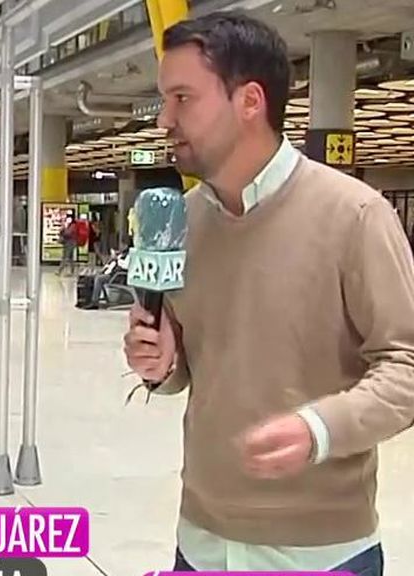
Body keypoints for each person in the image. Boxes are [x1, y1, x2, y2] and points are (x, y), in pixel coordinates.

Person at [122, 12, 414, 575]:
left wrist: (320, 429)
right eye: (164, 100)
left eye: (183, 98)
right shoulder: (184, 221)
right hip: (201, 541)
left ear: (249, 101)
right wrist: (161, 363)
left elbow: (407, 366)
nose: (164, 120)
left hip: (321, 553)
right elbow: (189, 366)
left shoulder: (355, 217)